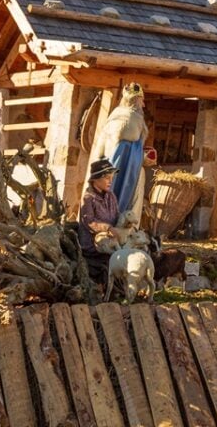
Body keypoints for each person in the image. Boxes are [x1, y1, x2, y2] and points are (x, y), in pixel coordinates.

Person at [90, 83, 149, 227]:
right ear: (136, 100)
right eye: (141, 100)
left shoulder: (114, 116)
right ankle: (127, 231)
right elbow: (130, 150)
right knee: (128, 202)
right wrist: (144, 157)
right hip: (128, 170)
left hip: (106, 166)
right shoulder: (135, 118)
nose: (143, 104)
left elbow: (102, 149)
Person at [79, 158, 120, 286]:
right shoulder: (88, 198)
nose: (110, 181)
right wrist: (108, 228)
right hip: (93, 245)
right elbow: (89, 222)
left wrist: (124, 225)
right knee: (116, 257)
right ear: (95, 179)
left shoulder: (111, 196)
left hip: (111, 239)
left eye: (111, 177)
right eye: (107, 177)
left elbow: (117, 215)